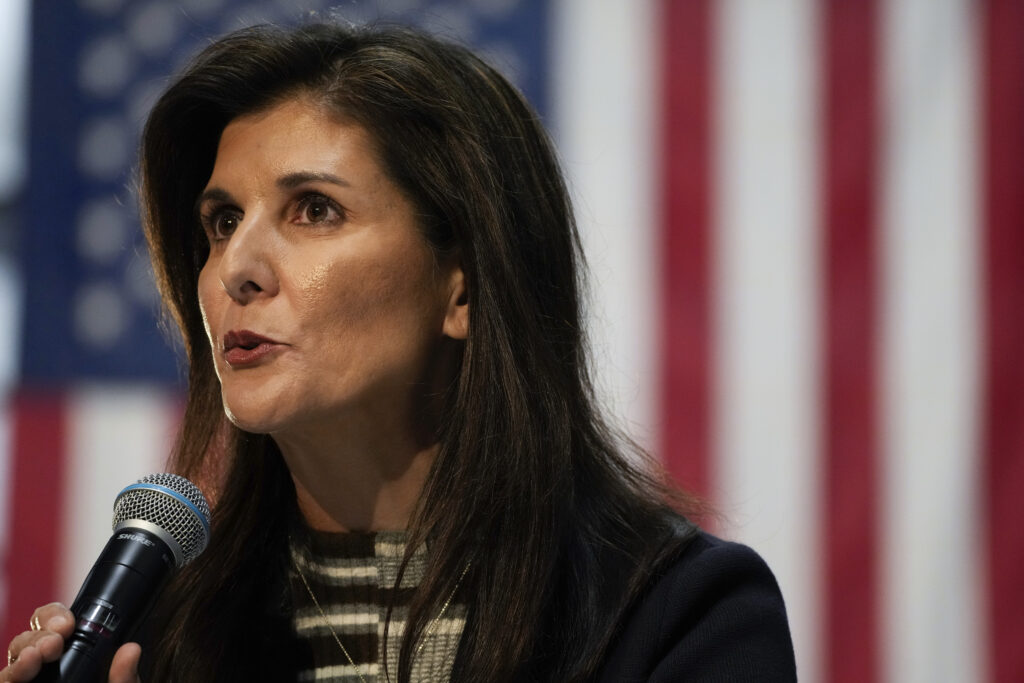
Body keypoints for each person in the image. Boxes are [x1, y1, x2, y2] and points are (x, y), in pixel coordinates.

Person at [2, 22, 796, 683]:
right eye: (221, 221)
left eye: (314, 210)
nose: (235, 268)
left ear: (463, 285)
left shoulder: (674, 616)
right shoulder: (159, 643)